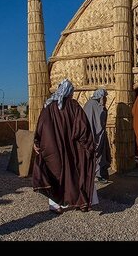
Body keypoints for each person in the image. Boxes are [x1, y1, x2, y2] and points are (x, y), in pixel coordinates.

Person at [32, 79, 98, 214]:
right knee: (76, 174)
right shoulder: (74, 106)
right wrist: (88, 145)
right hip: (73, 150)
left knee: (55, 174)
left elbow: (41, 127)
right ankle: (80, 201)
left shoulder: (49, 107)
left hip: (52, 150)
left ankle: (56, 205)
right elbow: (83, 129)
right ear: (69, 92)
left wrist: (37, 142)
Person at [83, 88, 111, 183]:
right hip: (95, 135)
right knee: (96, 156)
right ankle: (96, 175)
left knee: (100, 156)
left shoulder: (94, 104)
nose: (106, 99)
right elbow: (95, 121)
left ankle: (98, 175)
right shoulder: (94, 105)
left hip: (97, 135)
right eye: (104, 97)